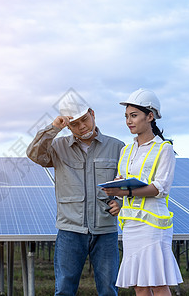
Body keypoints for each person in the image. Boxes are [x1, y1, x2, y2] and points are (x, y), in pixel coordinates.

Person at [26, 92, 125, 296]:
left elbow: (126, 183)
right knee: (64, 289)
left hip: (105, 230)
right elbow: (34, 154)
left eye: (85, 120)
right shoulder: (58, 147)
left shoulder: (117, 147)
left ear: (93, 114)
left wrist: (120, 201)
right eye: (75, 124)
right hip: (70, 229)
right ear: (67, 126)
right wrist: (53, 128)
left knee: (108, 290)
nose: (82, 127)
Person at [102, 88, 183, 296]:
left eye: (134, 115)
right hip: (131, 226)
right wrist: (117, 198)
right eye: (127, 116)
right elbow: (124, 184)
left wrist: (125, 193)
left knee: (157, 282)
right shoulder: (126, 150)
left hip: (153, 227)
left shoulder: (164, 149)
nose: (129, 121)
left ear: (150, 116)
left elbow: (159, 188)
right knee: (139, 284)